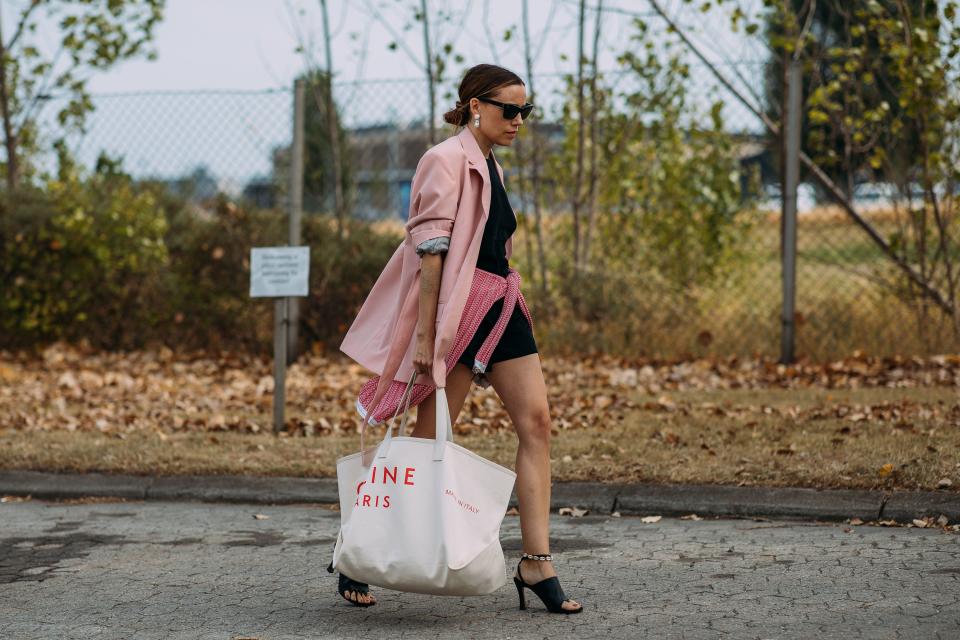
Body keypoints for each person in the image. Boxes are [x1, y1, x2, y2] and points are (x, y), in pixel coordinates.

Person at [335, 63, 583, 614]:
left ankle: (536, 562)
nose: (519, 120)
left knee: (537, 423)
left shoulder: (490, 164)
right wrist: (425, 338)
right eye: (509, 109)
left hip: (501, 308)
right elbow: (430, 254)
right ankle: (357, 550)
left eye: (526, 111)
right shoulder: (444, 159)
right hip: (457, 314)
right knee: (427, 443)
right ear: (475, 105)